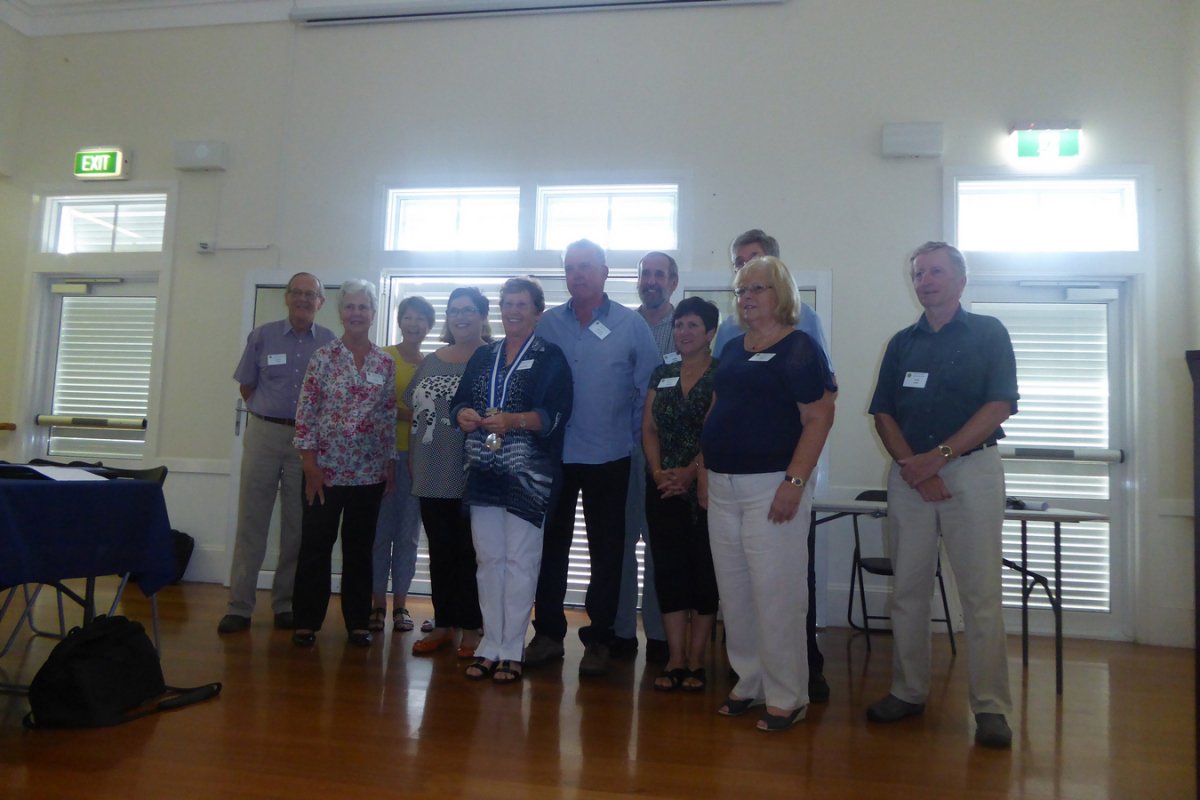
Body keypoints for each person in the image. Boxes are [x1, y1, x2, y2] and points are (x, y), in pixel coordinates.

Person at [865, 241, 1018, 749]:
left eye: (935, 272)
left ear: (960, 280)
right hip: (910, 476)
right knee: (908, 592)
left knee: (980, 596)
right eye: (918, 274)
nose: (925, 281)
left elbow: (1000, 405)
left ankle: (991, 707)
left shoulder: (989, 333)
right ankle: (907, 691)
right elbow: (883, 412)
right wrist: (917, 467)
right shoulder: (901, 343)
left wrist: (940, 457)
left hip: (971, 474)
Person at [701, 256, 836, 732]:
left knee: (776, 593)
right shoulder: (732, 347)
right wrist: (702, 469)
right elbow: (718, 407)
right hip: (722, 485)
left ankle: (787, 695)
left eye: (757, 288)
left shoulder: (799, 348)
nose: (747, 298)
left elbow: (819, 417)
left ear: (782, 294)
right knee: (735, 592)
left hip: (772, 486)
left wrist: (795, 482)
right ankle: (750, 681)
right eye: (742, 290)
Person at [527, 239, 662, 678]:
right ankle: (548, 634)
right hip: (555, 456)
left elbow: (650, 391)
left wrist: (636, 442)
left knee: (608, 552)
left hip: (611, 456)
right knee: (551, 548)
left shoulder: (630, 325)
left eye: (586, 266)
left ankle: (600, 638)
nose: (578, 274)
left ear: (605, 272)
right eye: (570, 268)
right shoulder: (548, 324)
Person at [452, 277, 573, 684]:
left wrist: (513, 420)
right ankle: (490, 644)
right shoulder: (484, 355)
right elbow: (460, 401)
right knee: (488, 560)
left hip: (527, 474)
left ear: (538, 312)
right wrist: (462, 414)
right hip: (483, 470)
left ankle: (512, 648)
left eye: (522, 304)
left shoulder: (550, 356)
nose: (514, 311)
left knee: (521, 561)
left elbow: (555, 414)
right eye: (507, 304)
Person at [219, 272, 335, 635]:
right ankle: (240, 606)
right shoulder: (262, 336)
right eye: (297, 293)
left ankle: (285, 604)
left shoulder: (330, 343)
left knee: (297, 527)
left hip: (308, 443)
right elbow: (247, 386)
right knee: (251, 521)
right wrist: (269, 414)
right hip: (265, 434)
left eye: (310, 294)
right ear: (286, 297)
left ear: (320, 302)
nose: (303, 299)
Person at [291, 279, 396, 648]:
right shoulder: (323, 358)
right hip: (325, 472)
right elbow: (306, 412)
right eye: (350, 307)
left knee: (360, 549)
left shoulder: (384, 362)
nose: (356, 313)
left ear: (373, 313)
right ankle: (306, 621)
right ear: (340, 312)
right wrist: (309, 464)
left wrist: (390, 463)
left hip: (369, 473)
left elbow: (387, 416)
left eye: (363, 307)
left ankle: (358, 622)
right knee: (316, 546)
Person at [642, 296, 720, 692]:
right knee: (669, 571)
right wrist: (658, 472)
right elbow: (648, 428)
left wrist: (691, 472)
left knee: (704, 573)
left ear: (710, 332)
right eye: (679, 325)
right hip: (663, 487)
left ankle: (697, 660)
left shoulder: (722, 374)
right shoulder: (663, 372)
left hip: (707, 487)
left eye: (692, 325)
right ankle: (675, 658)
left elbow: (719, 430)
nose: (684, 332)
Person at [406, 287, 489, 658]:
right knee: (439, 552)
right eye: (455, 310)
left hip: (475, 471)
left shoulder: (493, 357)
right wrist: (413, 458)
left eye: (469, 310)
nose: (461, 317)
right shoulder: (432, 360)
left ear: (483, 315)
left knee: (470, 554)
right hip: (431, 468)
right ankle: (444, 624)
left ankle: (473, 627)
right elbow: (417, 411)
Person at [613, 251, 676, 663]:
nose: (651, 281)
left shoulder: (686, 326)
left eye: (659, 274)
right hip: (621, 449)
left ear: (672, 282)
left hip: (668, 456)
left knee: (661, 545)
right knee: (620, 543)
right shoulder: (621, 325)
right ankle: (621, 632)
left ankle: (658, 633)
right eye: (645, 274)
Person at [370, 296, 434, 634]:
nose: (414, 324)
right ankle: (377, 605)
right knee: (380, 534)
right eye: (408, 317)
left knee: (408, 536)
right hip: (380, 457)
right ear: (399, 321)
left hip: (417, 460)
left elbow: (433, 413)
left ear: (429, 326)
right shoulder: (383, 357)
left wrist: (407, 412)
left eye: (421, 319)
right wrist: (411, 414)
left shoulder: (431, 364)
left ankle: (400, 606)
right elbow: (373, 404)